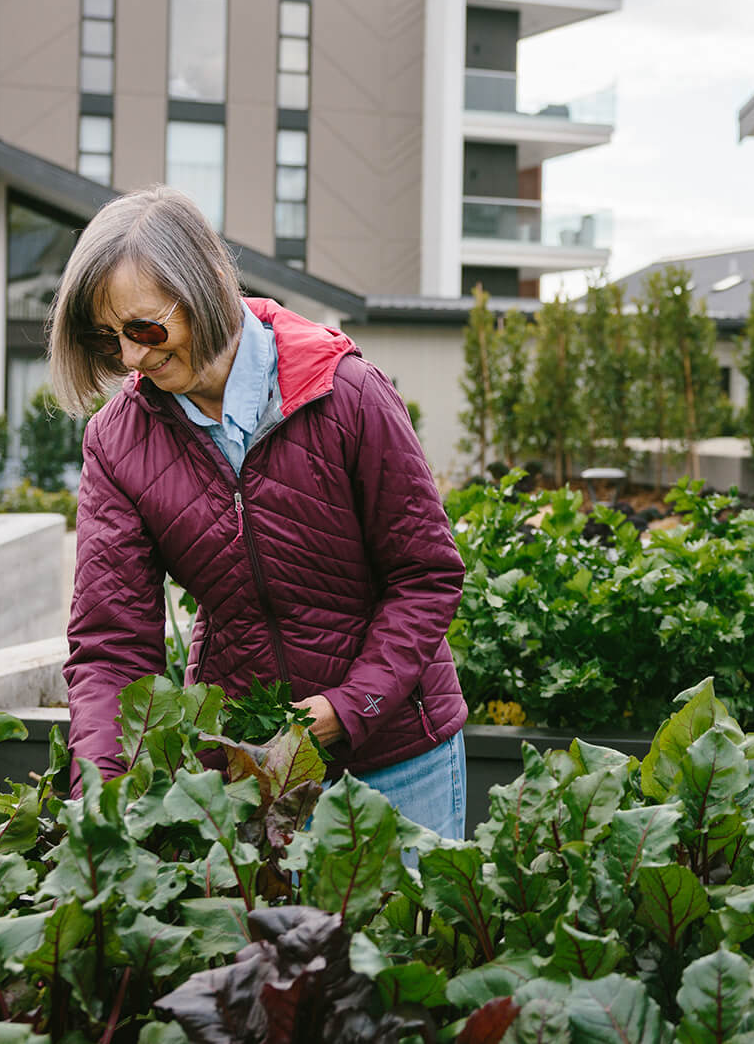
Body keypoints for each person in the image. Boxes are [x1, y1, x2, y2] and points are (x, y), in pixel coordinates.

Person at [51, 186, 468, 836]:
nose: (132, 357)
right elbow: (111, 647)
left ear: (211, 284)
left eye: (144, 329)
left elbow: (425, 576)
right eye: (110, 340)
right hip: (252, 764)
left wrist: (348, 707)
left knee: (398, 938)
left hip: (395, 755)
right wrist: (101, 804)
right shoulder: (118, 440)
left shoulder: (347, 394)